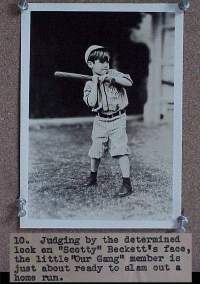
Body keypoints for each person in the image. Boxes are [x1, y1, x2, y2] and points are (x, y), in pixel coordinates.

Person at [83, 45, 133, 197]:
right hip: (100, 120)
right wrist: (96, 83)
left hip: (118, 118)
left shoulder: (114, 74)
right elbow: (91, 103)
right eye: (101, 62)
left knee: (120, 149)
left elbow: (129, 82)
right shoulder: (89, 84)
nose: (106, 64)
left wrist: (111, 78)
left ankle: (127, 184)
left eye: (107, 61)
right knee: (96, 150)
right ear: (91, 64)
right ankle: (93, 177)